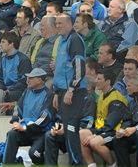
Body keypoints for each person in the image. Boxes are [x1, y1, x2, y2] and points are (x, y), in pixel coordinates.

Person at [49, 14, 87, 166]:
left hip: (74, 92)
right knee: (68, 130)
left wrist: (71, 89)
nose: (57, 25)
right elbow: (61, 70)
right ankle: (74, 162)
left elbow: (79, 67)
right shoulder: (61, 41)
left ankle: (76, 163)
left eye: (60, 23)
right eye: (56, 23)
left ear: (70, 24)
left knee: (71, 130)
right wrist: (57, 92)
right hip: (63, 91)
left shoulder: (75, 40)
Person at [2, 68, 54, 164]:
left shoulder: (49, 95)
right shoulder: (27, 91)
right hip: (25, 130)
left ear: (40, 80)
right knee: (12, 134)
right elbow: (18, 108)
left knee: (34, 154)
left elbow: (44, 118)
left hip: (41, 133)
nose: (27, 80)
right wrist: (15, 121)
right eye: (27, 78)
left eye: (31, 78)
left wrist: (25, 128)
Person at [78, 69, 128, 167]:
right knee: (82, 133)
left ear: (108, 81)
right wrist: (94, 132)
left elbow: (111, 124)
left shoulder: (116, 98)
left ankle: (112, 164)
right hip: (101, 128)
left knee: (94, 142)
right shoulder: (102, 95)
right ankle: (92, 165)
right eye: (96, 78)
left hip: (114, 131)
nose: (96, 81)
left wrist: (95, 135)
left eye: (99, 79)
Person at [0, 32, 32, 102]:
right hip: (4, 91)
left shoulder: (23, 60)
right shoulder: (0, 60)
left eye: (3, 42)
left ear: (11, 44)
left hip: (18, 91)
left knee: (8, 96)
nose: (0, 45)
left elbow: (23, 82)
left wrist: (9, 90)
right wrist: (1, 91)